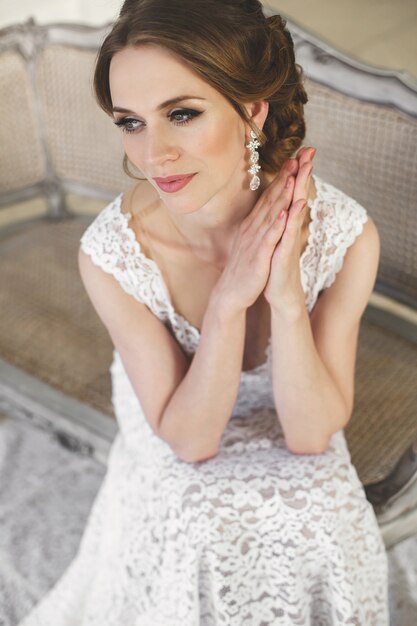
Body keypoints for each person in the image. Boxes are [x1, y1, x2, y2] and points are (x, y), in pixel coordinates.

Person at [19, 0, 389, 624]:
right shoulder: (113, 255)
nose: (152, 154)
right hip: (175, 420)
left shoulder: (346, 238)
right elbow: (189, 441)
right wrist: (226, 302)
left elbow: (309, 436)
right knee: (201, 520)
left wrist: (284, 295)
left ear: (252, 110)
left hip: (299, 405)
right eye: (130, 122)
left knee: (325, 509)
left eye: (181, 114)